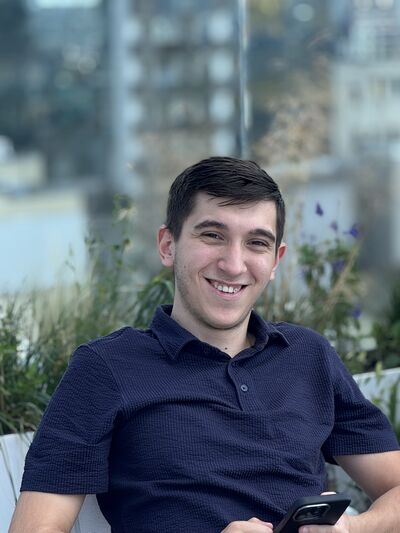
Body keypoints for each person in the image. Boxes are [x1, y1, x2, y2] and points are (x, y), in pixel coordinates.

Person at [10, 157, 400, 533]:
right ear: (168, 245)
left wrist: (354, 527)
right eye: (213, 235)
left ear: (276, 260)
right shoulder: (106, 367)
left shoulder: (308, 355)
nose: (233, 264)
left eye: (257, 243)